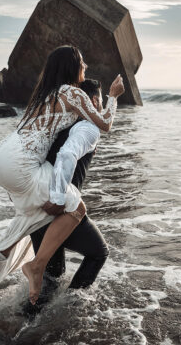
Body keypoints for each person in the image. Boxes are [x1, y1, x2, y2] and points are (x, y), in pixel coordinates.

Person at [0, 46, 124, 326]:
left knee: (54, 265)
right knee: (77, 213)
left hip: (2, 159)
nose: (85, 68)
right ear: (71, 68)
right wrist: (112, 97)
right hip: (22, 168)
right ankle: (52, 296)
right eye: (82, 64)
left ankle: (25, 316)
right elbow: (104, 124)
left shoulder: (45, 96)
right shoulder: (73, 94)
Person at [25, 79, 108, 314]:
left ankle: (20, 321)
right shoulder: (86, 128)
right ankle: (69, 310)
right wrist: (59, 198)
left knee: (52, 275)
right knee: (98, 253)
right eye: (99, 102)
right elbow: (68, 155)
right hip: (59, 208)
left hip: (37, 204)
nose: (100, 108)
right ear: (92, 101)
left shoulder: (59, 124)